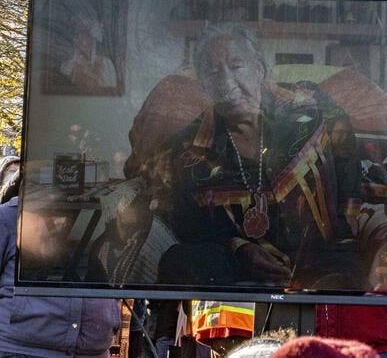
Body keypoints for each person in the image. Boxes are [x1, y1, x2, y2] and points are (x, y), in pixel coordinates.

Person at [144, 24, 361, 289]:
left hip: (324, 270)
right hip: (242, 281)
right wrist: (239, 249)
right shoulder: (190, 152)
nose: (226, 81)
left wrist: (344, 249)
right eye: (213, 72)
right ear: (203, 85)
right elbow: (191, 230)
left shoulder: (312, 108)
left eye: (236, 66)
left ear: (260, 68)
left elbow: (349, 170)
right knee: (176, 261)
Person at [0, 169, 122, 357]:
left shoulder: (94, 220)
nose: (64, 222)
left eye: (70, 212)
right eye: (53, 212)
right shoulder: (6, 221)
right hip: (24, 351)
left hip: (93, 351)